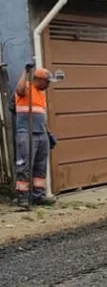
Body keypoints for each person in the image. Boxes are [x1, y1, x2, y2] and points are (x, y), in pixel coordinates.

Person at [14, 63, 56, 207]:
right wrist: (25, 71)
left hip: (41, 133)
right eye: (47, 82)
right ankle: (23, 197)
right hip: (26, 133)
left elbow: (42, 116)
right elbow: (19, 90)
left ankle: (38, 196)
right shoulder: (25, 87)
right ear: (38, 79)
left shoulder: (41, 94)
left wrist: (48, 133)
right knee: (24, 165)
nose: (48, 85)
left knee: (40, 166)